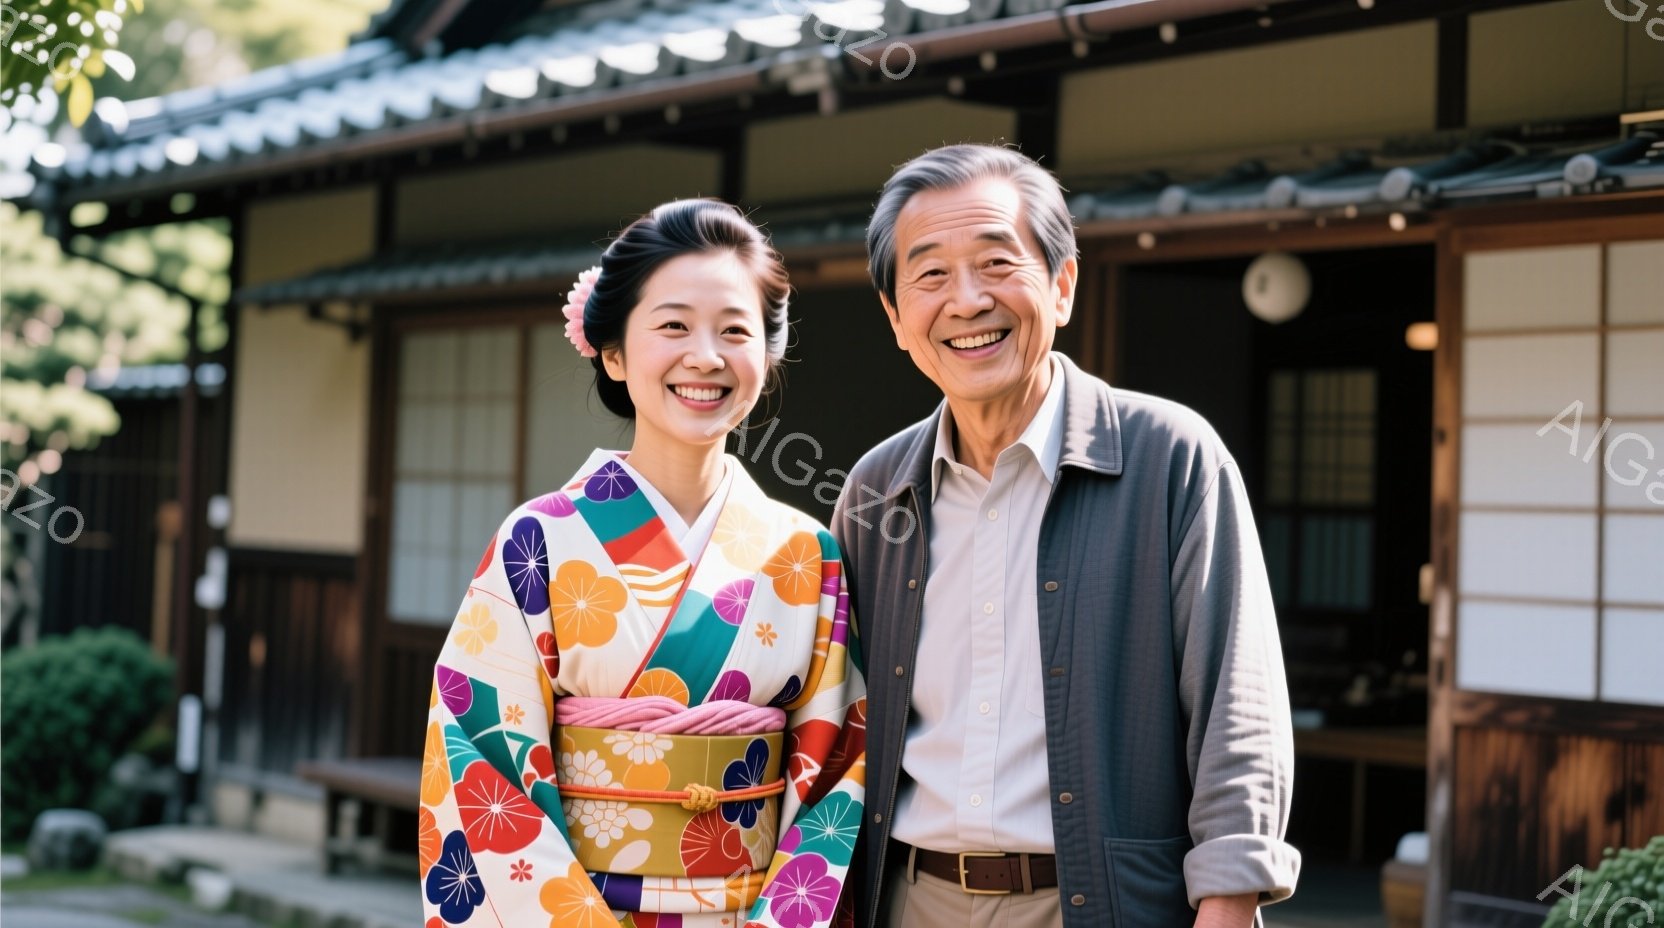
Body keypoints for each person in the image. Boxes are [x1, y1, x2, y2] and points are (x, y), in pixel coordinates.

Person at [836, 144, 1299, 928]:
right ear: (895, 318)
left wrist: (1228, 902)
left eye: (996, 262)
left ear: (1062, 284)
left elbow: (1237, 708)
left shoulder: (1169, 458)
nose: (968, 300)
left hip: (1103, 906)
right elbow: (837, 720)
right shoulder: (876, 491)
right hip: (910, 900)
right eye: (931, 275)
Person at [421, 199, 866, 928]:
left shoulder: (805, 553)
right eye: (673, 326)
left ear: (768, 352)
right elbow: (479, 760)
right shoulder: (539, 540)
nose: (705, 356)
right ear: (615, 352)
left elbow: (835, 775)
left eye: (734, 330)